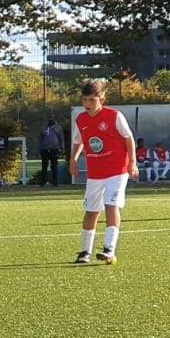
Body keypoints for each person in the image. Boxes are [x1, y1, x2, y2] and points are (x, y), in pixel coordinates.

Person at [70, 79, 136, 264]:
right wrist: (73, 159)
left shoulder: (114, 116)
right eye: (85, 100)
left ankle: (109, 249)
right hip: (95, 172)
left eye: (92, 99)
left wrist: (132, 162)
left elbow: (128, 137)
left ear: (102, 99)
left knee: (111, 205)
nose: (87, 103)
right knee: (91, 210)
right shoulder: (81, 119)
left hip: (117, 170)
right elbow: (78, 141)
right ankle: (85, 252)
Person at [39, 119, 64, 186]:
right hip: (45, 149)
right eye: (49, 120)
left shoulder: (58, 128)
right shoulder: (44, 128)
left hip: (54, 149)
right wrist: (39, 148)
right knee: (44, 166)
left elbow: (61, 138)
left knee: (54, 166)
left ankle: (55, 183)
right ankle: (43, 182)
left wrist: (61, 148)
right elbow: (40, 138)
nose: (51, 121)